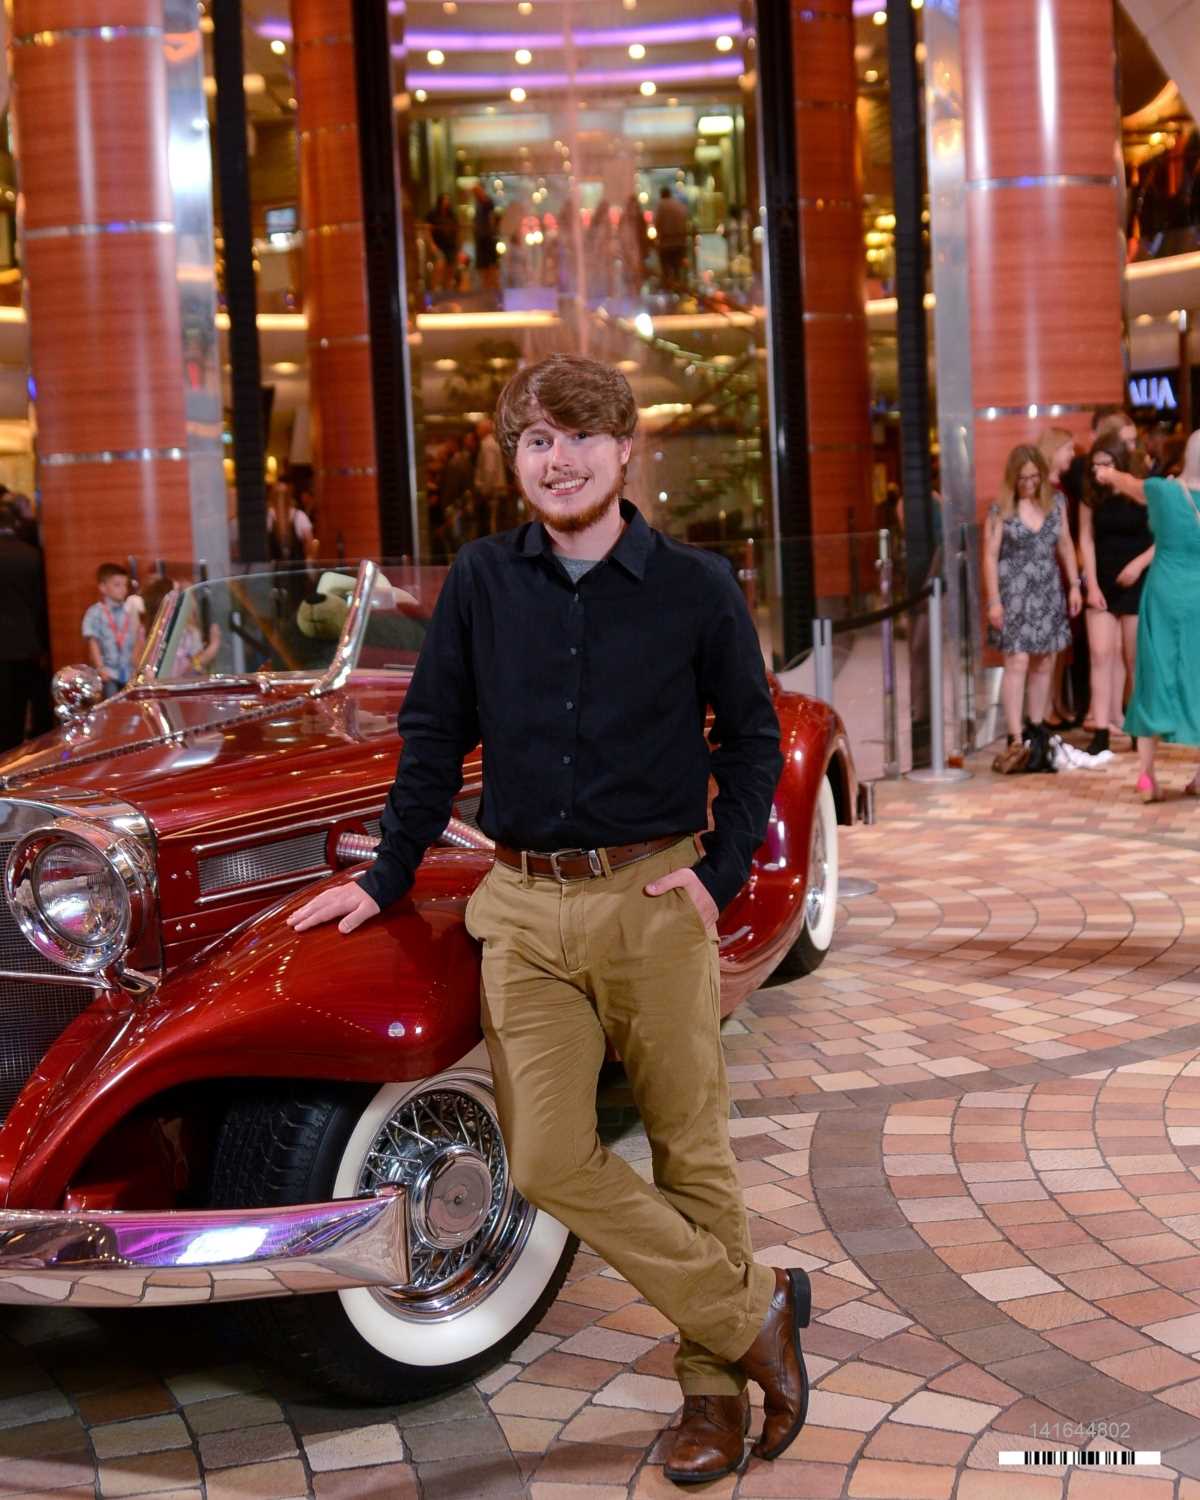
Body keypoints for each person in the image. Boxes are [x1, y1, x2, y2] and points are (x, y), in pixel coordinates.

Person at [288, 354, 812, 1486]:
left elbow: (752, 741)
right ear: (512, 458)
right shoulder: (481, 581)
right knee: (547, 1155)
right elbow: (433, 742)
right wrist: (382, 879)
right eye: (534, 440)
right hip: (520, 906)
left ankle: (711, 1395)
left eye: (579, 437)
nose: (557, 459)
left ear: (625, 450)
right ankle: (754, 1309)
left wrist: (718, 877)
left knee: (692, 1150)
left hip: (651, 898)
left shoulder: (695, 586)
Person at [1101, 429, 1200, 801]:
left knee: (1153, 674)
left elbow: (1130, 484)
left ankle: (1146, 775)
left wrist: (1108, 475)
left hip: (1163, 594)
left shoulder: (1163, 491)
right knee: (1197, 674)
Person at [983, 445, 1083, 773]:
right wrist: (994, 600)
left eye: (1034, 476)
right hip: (1014, 594)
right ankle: (1015, 737)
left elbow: (1066, 544)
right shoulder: (1000, 509)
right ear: (1013, 477)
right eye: (1023, 478)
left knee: (1045, 661)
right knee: (1018, 660)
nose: (1029, 483)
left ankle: (1037, 728)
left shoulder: (1056, 503)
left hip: (1048, 590)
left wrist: (1074, 585)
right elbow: (989, 556)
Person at [1077, 436, 1155, 756]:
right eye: (1096, 465)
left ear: (1120, 465)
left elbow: (1162, 537)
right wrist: (1091, 584)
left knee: (1134, 659)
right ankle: (1100, 730)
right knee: (1100, 654)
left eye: (1107, 464)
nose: (1101, 471)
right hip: (1104, 582)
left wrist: (1138, 566)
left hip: (1136, 579)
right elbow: (1086, 540)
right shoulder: (1091, 498)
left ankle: (1138, 727)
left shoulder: (1141, 493)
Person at [1037, 427, 1083, 728]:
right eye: (1069, 448)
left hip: (1063, 572)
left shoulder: (1061, 488)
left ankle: (1053, 703)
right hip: (1047, 572)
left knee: (1059, 645)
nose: (1073, 454)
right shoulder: (1045, 490)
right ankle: (1044, 709)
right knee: (1048, 648)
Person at [0, 498, 52, 750]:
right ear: (15, 524)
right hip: (26, 641)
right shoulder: (31, 555)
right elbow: (41, 602)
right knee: (20, 701)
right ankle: (19, 751)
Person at [82, 562, 138, 698]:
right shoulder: (96, 612)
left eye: (125, 585)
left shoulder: (130, 610)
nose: (123, 589)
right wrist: (100, 667)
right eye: (117, 585)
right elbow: (93, 642)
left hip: (130, 671)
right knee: (112, 704)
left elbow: (137, 639)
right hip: (109, 672)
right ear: (103, 587)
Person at [654, 187, 691, 293]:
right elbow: (685, 220)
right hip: (679, 242)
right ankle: (678, 290)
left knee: (666, 269)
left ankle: (668, 290)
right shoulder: (679, 205)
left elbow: (657, 223)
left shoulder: (660, 206)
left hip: (666, 243)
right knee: (677, 269)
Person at [427, 193, 459, 293]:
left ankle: (447, 290)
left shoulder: (452, 215)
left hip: (450, 246)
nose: (446, 202)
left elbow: (456, 230)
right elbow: (427, 229)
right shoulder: (433, 215)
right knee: (439, 264)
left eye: (448, 200)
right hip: (438, 245)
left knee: (450, 268)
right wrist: (431, 244)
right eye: (445, 200)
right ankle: (434, 289)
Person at [472, 182, 500, 295]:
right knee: (484, 266)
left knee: (491, 265)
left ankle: (492, 287)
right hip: (481, 238)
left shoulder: (488, 203)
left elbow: (491, 218)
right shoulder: (478, 204)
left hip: (487, 238)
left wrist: (491, 231)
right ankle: (487, 288)